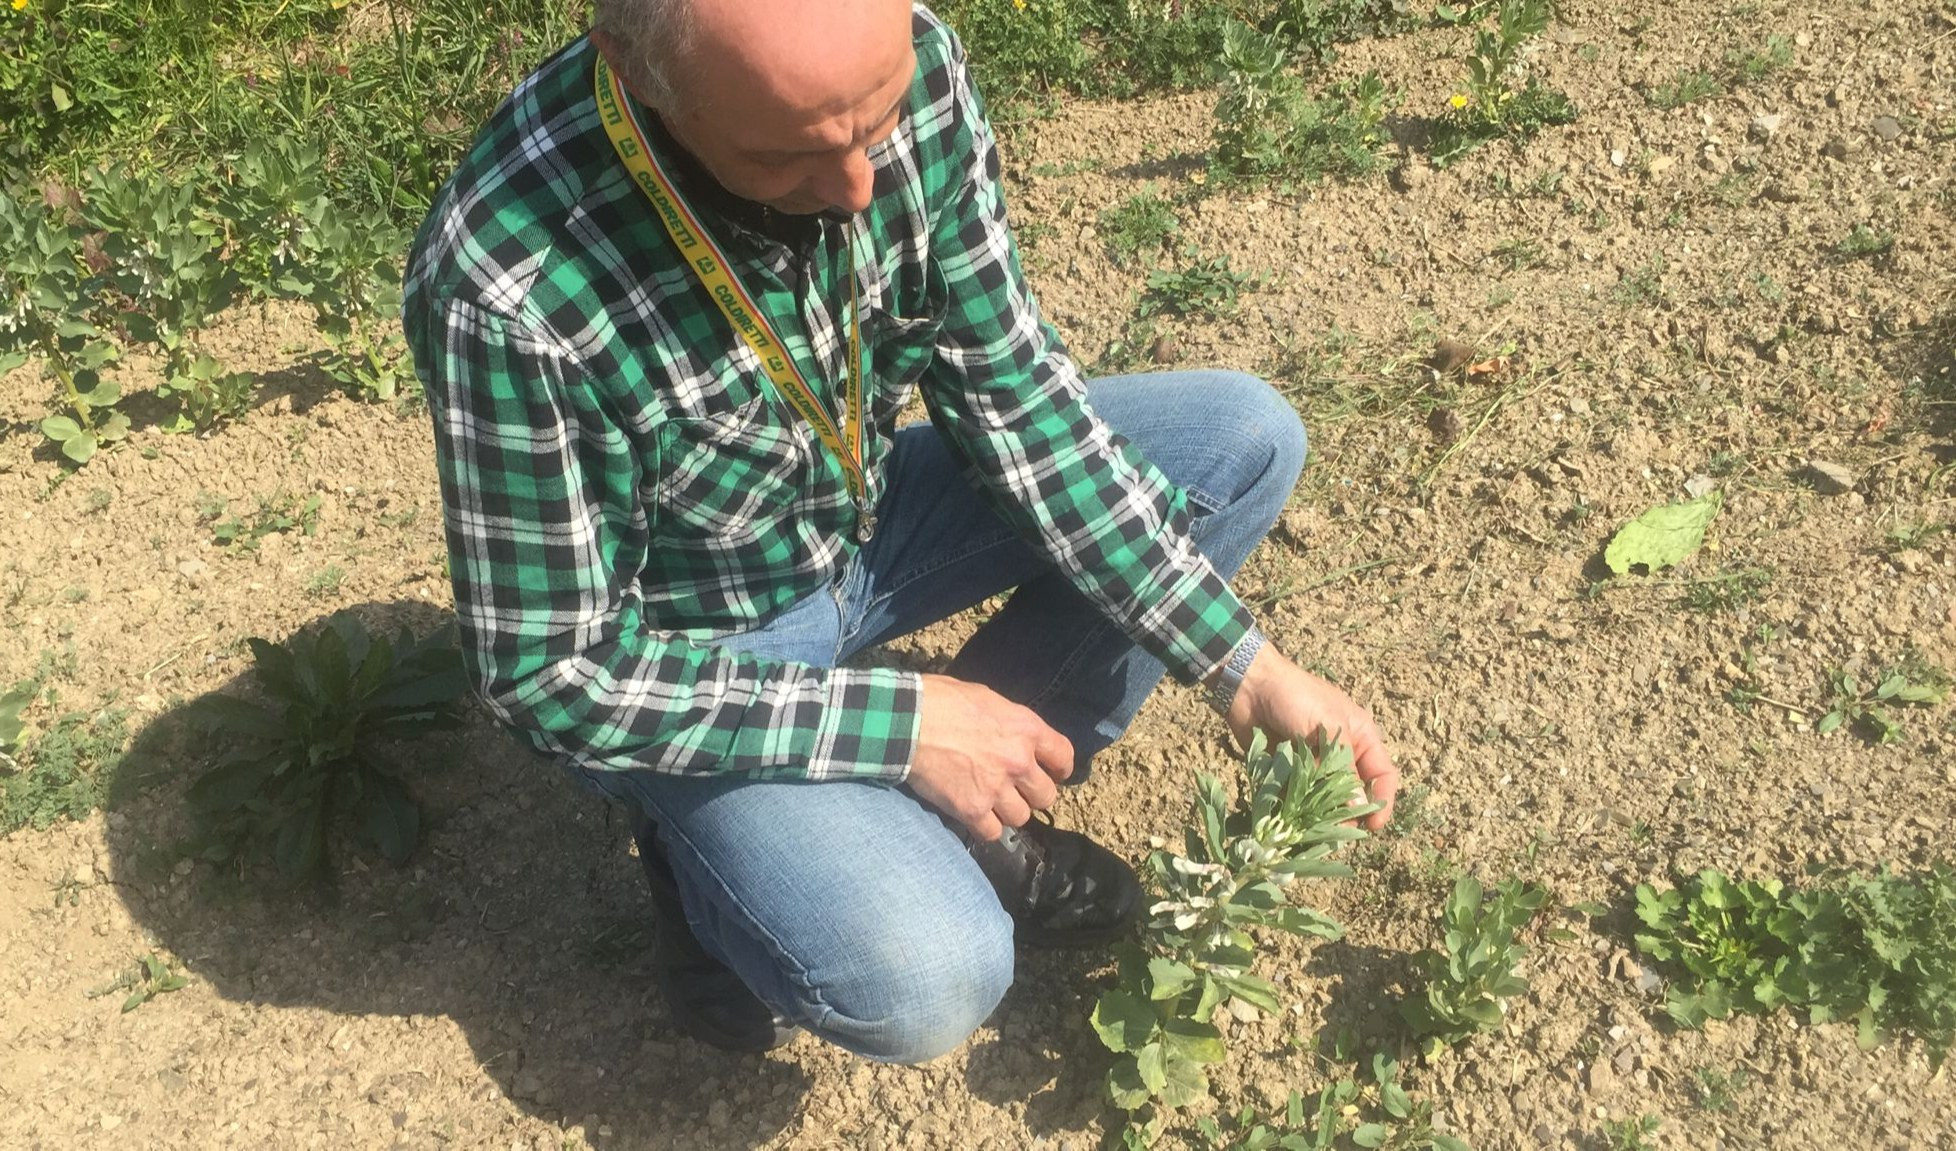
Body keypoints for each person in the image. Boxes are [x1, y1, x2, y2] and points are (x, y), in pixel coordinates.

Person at [402, 0, 1398, 1064]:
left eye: (875, 124)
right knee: (926, 974)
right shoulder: (505, 286)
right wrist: (902, 719)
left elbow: (1012, 398)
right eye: (785, 154)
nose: (856, 187)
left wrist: (1239, 665)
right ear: (642, 79)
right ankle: (711, 875)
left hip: (860, 512)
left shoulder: (903, 57)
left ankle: (972, 806)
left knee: (1239, 440)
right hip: (700, 637)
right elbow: (548, 671)